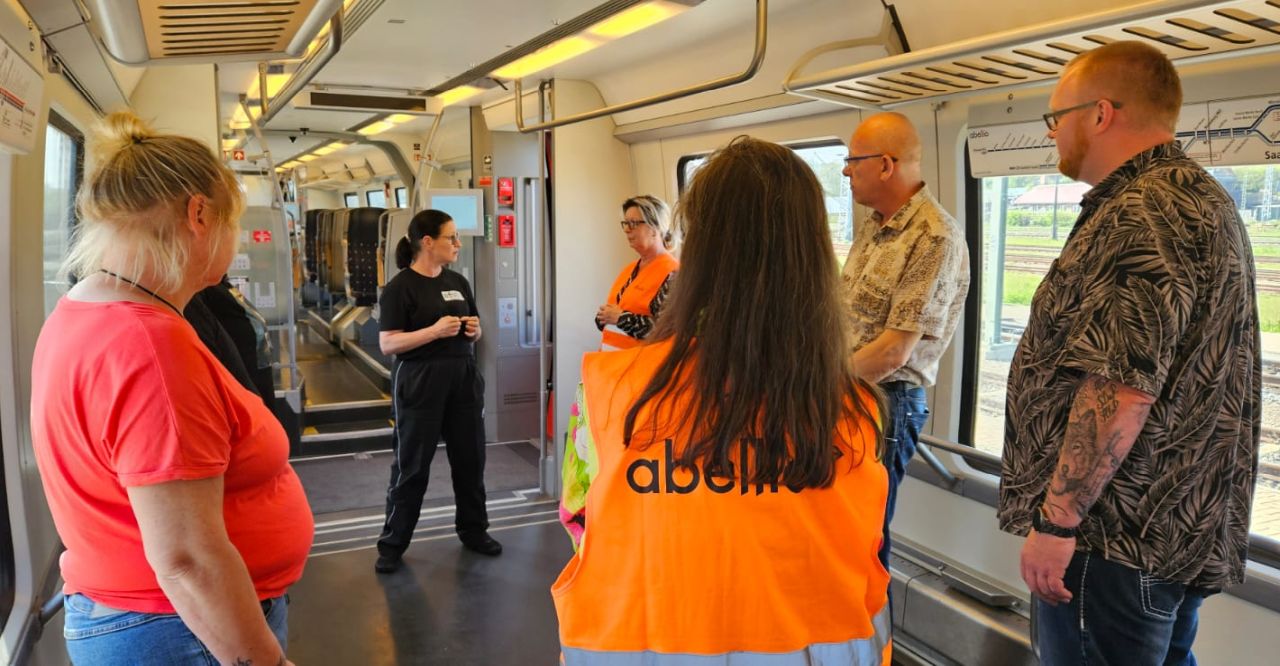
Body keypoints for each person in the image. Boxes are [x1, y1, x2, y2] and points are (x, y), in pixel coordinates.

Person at [556, 137, 891, 663]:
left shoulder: (607, 393)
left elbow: (580, 524)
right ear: (815, 254)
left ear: (696, 250)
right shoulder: (856, 411)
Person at [998, 41, 1260, 665]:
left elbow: (1120, 387)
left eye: (1056, 116)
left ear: (1100, 114)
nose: (1052, 132)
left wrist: (1057, 523)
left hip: (1112, 538)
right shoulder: (1200, 197)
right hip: (1169, 531)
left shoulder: (1140, 212)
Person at [29, 111, 312, 665]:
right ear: (199, 214)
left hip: (150, 618)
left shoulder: (84, 310)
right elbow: (188, 561)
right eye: (233, 222)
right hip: (181, 632)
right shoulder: (151, 347)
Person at [840, 111, 969, 571]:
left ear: (886, 165)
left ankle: (873, 620)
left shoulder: (934, 236)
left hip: (885, 402)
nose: (845, 171)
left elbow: (895, 350)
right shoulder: (875, 226)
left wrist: (815, 385)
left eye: (853, 160)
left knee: (865, 537)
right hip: (850, 392)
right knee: (840, 529)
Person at [375, 209, 501, 573]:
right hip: (420, 381)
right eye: (451, 237)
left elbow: (475, 331)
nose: (458, 243)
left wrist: (474, 330)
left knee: (470, 460)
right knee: (412, 466)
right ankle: (393, 543)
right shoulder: (400, 288)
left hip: (462, 377)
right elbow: (388, 343)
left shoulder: (458, 281)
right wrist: (434, 331)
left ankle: (474, 530)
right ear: (428, 242)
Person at [594, 195, 679, 350]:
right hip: (611, 361)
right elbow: (614, 313)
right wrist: (603, 317)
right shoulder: (628, 270)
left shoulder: (672, 273)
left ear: (655, 228)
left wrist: (621, 318)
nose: (627, 229)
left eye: (633, 223)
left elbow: (666, 330)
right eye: (625, 223)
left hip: (643, 363)